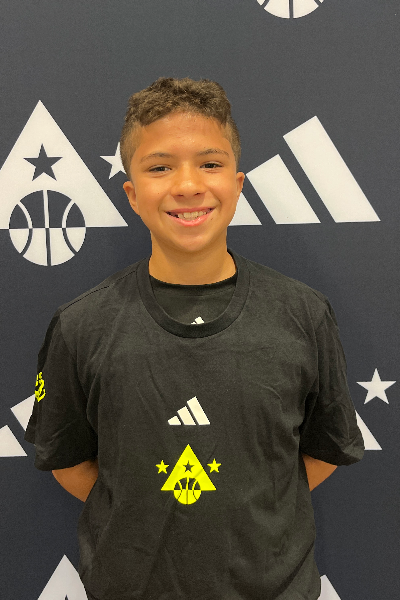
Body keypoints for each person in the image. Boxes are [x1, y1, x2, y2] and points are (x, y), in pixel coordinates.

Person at [25, 77, 364, 600]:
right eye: (160, 167)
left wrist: (254, 505)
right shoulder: (81, 325)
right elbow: (68, 461)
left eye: (209, 164)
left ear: (238, 184)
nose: (187, 185)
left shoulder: (303, 314)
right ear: (132, 194)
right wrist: (149, 508)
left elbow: (323, 451)